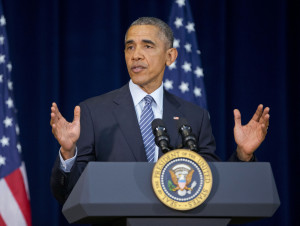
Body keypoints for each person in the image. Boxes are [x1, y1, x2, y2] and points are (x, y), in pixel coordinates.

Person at [50, 17, 270, 205]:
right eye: (130, 47)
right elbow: (68, 193)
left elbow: (210, 183)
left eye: (147, 46)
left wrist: (243, 155)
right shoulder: (94, 111)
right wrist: (68, 154)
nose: (135, 55)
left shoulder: (195, 116)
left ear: (170, 56)